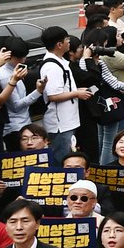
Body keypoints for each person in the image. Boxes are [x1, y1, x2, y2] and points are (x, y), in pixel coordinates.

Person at [37, 27, 91, 166]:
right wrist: (76, 93)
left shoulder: (60, 62)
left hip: (67, 121)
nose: (69, 42)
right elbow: (53, 95)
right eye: (67, 39)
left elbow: (62, 88)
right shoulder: (52, 66)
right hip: (60, 124)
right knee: (61, 160)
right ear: (59, 44)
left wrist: (76, 90)